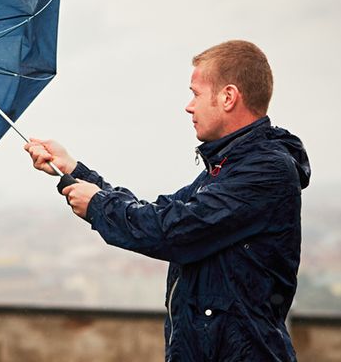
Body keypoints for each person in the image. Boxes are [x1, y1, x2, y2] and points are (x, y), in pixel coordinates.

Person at [25, 40, 311, 361]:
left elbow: (173, 231)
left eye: (196, 94)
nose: (189, 106)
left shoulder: (265, 170)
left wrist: (97, 206)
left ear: (228, 97)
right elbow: (158, 212)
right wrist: (75, 170)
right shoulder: (226, 169)